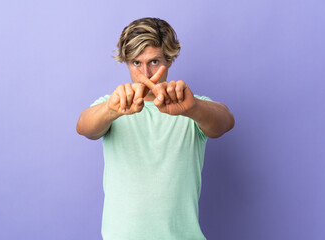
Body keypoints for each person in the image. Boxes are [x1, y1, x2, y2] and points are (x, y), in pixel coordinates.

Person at [76, 17, 235, 240]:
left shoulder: (190, 105)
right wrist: (112, 110)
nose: (146, 75)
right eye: (136, 63)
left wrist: (193, 108)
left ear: (169, 60)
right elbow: (85, 127)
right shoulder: (113, 104)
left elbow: (226, 122)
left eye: (154, 62)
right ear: (126, 62)